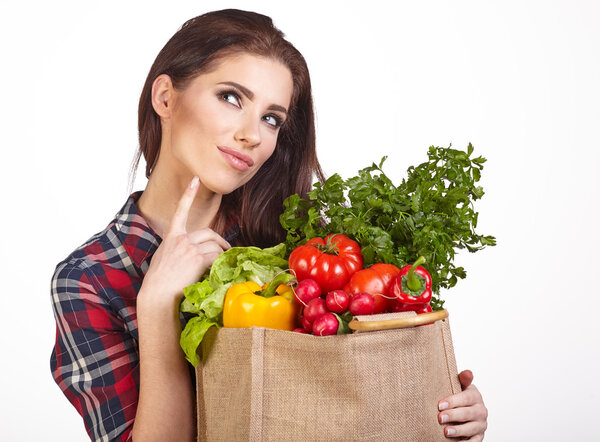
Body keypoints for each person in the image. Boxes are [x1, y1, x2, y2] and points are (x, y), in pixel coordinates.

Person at [50, 9, 488, 441]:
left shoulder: (303, 244)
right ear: (165, 97)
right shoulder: (88, 280)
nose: (252, 135)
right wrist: (157, 305)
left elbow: (364, 390)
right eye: (231, 97)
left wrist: (447, 412)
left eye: (271, 118)